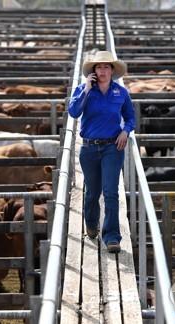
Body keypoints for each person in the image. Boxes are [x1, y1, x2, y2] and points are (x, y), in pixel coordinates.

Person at [68, 51, 135, 253]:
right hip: (89, 148)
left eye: (107, 67)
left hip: (112, 147)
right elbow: (73, 112)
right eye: (99, 67)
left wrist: (125, 131)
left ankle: (112, 237)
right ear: (94, 71)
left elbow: (131, 117)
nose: (103, 70)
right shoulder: (83, 89)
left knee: (111, 192)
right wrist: (87, 89)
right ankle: (91, 224)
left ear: (112, 70)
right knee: (92, 193)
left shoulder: (121, 93)